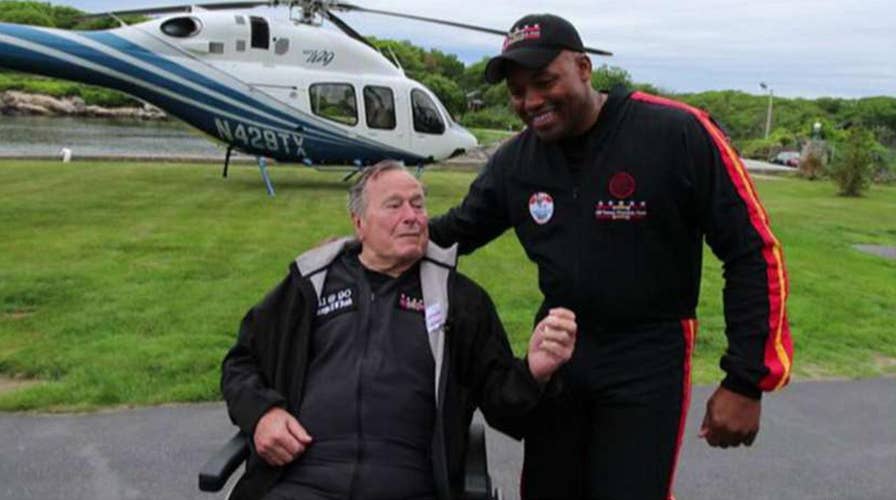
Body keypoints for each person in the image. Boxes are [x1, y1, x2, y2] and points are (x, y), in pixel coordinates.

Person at [428, 13, 794, 500]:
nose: (530, 101)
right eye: (517, 92)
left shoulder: (676, 133)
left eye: (544, 81)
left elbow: (752, 251)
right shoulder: (517, 161)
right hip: (558, 350)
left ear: (583, 68)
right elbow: (455, 233)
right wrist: (362, 246)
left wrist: (746, 381)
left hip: (648, 353)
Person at [220, 161, 577, 500]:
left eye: (418, 205)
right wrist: (262, 414)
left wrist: (534, 372)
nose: (413, 217)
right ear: (359, 222)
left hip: (406, 485)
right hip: (302, 481)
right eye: (394, 206)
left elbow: (503, 403)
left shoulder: (459, 299)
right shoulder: (311, 286)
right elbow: (241, 362)